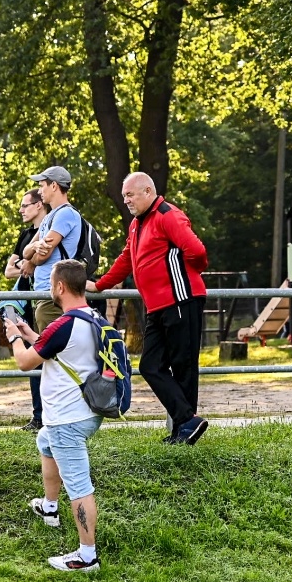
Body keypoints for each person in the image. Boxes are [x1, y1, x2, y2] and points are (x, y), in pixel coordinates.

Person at [89, 171, 210, 445]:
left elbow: (198, 252)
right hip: (156, 307)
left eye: (130, 195)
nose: (126, 201)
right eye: (124, 196)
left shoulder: (168, 215)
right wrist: (99, 285)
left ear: (147, 191)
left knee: (183, 367)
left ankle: (184, 430)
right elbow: (126, 259)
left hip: (181, 300)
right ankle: (188, 421)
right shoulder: (136, 224)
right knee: (150, 365)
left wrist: (192, 274)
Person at [3, 259, 104, 572]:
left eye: (51, 283)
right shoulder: (92, 318)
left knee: (79, 485)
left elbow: (24, 363)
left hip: (67, 419)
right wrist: (31, 334)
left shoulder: (63, 324)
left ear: (59, 287)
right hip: (89, 410)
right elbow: (61, 351)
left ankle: (87, 556)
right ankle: (49, 507)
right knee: (45, 441)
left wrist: (13, 336)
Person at [3, 190, 50, 432]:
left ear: (40, 205)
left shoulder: (52, 229)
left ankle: (54, 414)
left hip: (48, 303)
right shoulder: (25, 235)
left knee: (51, 358)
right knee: (34, 360)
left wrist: (30, 263)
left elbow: (48, 263)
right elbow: (9, 271)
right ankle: (38, 416)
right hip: (29, 308)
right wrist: (27, 263)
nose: (21, 210)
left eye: (25, 205)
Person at [20, 166, 82, 332]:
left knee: (51, 354)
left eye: (42, 186)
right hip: (46, 294)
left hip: (55, 294)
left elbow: (43, 257)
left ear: (54, 186)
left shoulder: (65, 214)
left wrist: (33, 258)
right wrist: (34, 247)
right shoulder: (50, 217)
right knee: (48, 353)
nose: (40, 191)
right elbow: (25, 252)